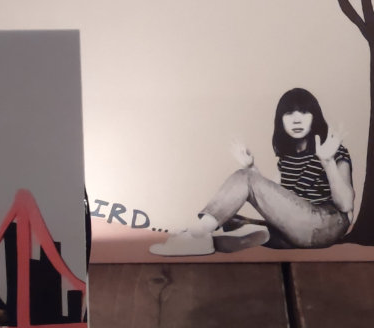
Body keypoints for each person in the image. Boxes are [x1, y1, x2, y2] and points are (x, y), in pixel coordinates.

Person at [149, 87, 355, 256]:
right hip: (298, 231)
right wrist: (251, 167)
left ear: (314, 117)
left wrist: (327, 161)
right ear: (281, 120)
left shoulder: (333, 151)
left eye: (304, 112)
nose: (296, 119)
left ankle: (196, 235)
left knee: (243, 182)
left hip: (327, 225)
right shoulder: (286, 159)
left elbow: (346, 205)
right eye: (289, 113)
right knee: (229, 218)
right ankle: (253, 233)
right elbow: (275, 201)